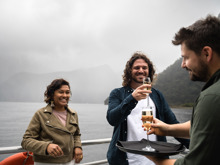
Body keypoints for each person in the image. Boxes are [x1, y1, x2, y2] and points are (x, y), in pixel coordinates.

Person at [144, 15, 220, 165]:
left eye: (186, 57)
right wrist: (167, 129)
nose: (183, 65)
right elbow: (203, 125)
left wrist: (159, 161)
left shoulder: (211, 97)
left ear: (206, 53)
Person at [106, 52, 190, 165]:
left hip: (156, 161)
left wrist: (196, 145)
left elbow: (172, 123)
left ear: (149, 71)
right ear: (129, 71)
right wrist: (132, 98)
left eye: (144, 68)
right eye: (136, 68)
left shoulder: (157, 95)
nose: (141, 70)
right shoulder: (117, 93)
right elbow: (112, 119)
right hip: (126, 160)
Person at [21, 78, 83, 165]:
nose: (65, 95)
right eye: (61, 92)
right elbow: (26, 141)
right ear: (52, 94)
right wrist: (46, 147)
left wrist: (78, 146)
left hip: (71, 161)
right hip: (47, 162)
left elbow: (76, 134)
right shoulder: (40, 114)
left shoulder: (73, 114)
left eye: (67, 92)